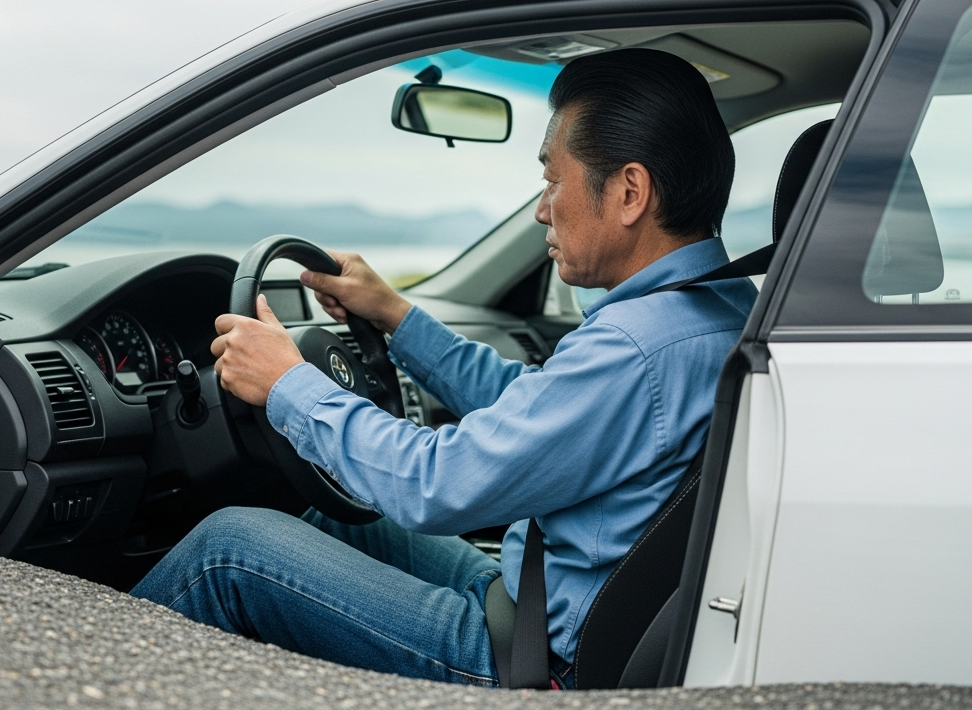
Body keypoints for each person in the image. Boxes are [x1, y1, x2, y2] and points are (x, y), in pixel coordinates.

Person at [131, 49, 757, 688]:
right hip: (545, 603)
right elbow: (537, 406)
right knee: (333, 520)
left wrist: (289, 384)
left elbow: (436, 483)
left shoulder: (636, 346)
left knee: (228, 549)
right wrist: (396, 316)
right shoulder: (721, 309)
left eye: (552, 179)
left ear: (629, 192)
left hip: (528, 662)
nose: (543, 208)